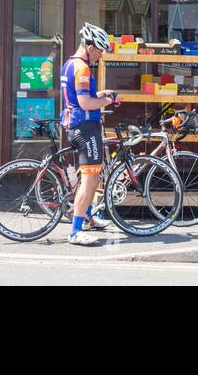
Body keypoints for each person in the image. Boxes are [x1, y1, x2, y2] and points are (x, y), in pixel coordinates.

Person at [60, 22, 120, 247]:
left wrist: (103, 94)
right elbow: (85, 102)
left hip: (76, 125)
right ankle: (75, 231)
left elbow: (80, 96)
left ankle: (87, 218)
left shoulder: (69, 64)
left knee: (92, 178)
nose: (100, 56)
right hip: (85, 128)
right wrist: (109, 100)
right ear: (89, 46)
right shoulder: (83, 68)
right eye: (99, 51)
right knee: (90, 179)